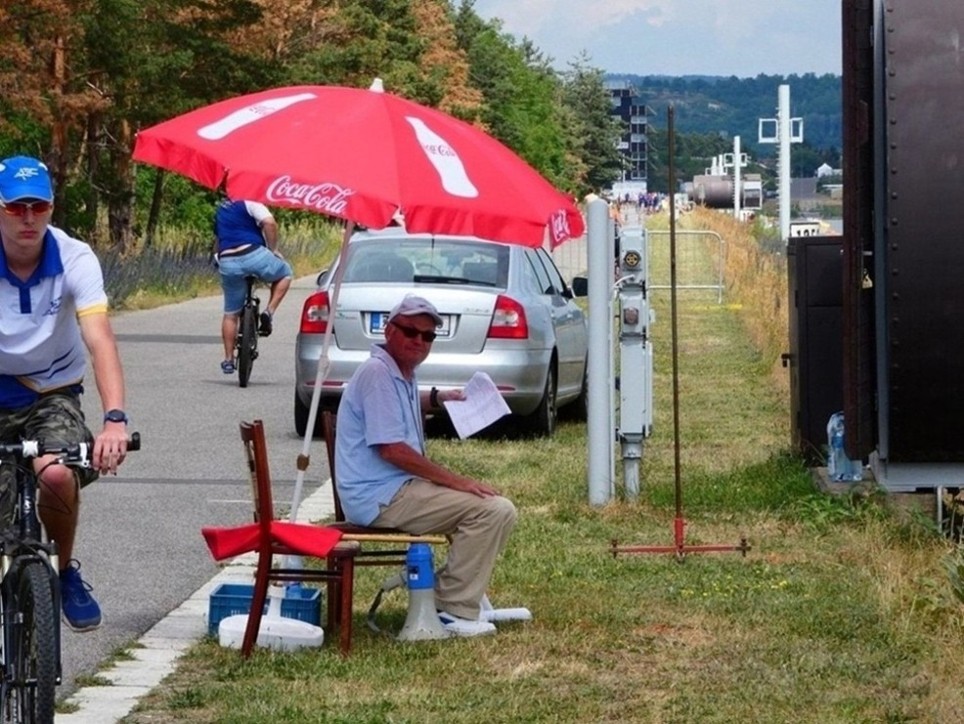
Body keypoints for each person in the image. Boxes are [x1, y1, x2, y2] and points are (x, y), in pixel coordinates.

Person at [334, 295, 517, 637]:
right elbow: (392, 450)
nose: (419, 341)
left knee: (488, 506)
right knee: (493, 510)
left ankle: (458, 596)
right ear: (389, 330)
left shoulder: (398, 371)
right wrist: (456, 481)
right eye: (410, 331)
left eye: (428, 336)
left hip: (390, 489)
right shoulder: (378, 373)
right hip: (380, 497)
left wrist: (435, 398)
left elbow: (393, 407)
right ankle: (451, 607)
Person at [0, 155, 130, 631]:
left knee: (55, 475)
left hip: (51, 391)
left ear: (52, 208)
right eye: (15, 208)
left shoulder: (74, 257)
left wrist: (114, 419)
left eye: (38, 206)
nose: (28, 218)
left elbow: (100, 339)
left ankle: (61, 572)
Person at [212, 198, 292, 374]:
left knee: (230, 314)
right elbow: (269, 223)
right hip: (253, 254)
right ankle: (269, 312)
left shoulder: (221, 208)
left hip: (228, 260)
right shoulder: (251, 202)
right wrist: (273, 250)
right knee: (285, 273)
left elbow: (218, 240)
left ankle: (228, 360)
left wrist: (217, 258)